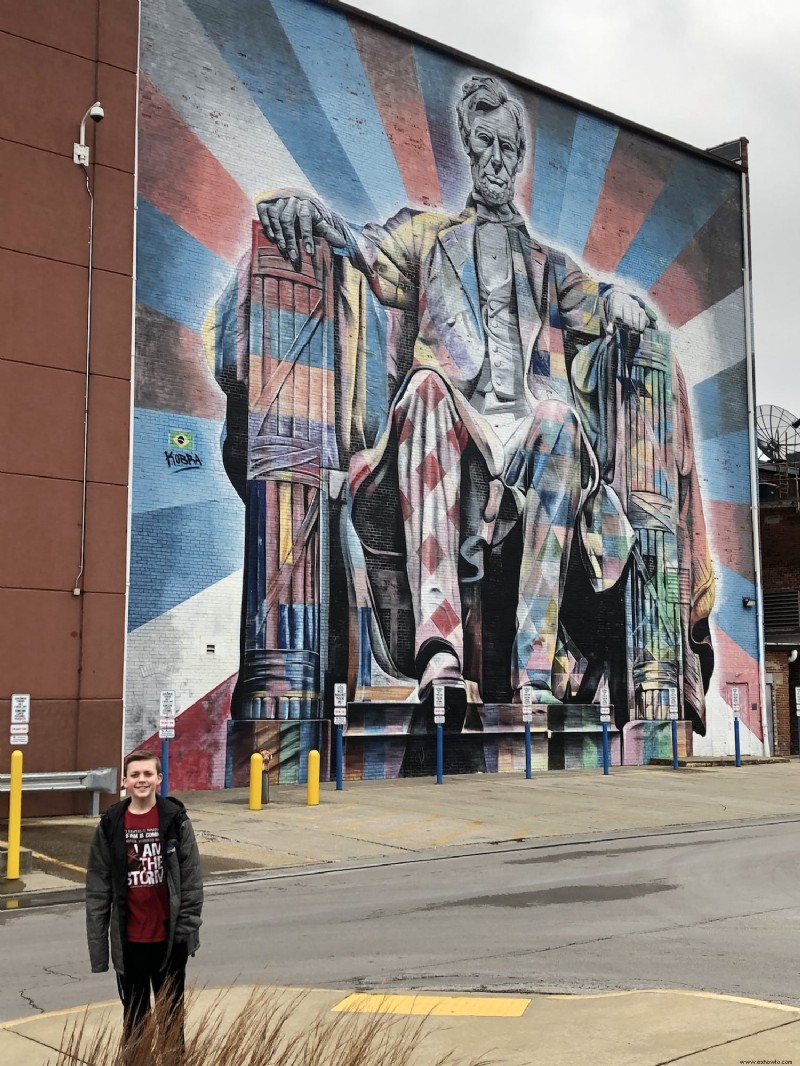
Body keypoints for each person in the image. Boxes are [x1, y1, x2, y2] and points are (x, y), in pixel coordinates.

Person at [255, 74, 713, 720]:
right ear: (469, 147)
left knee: (558, 417)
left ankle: (535, 666)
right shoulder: (424, 235)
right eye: (486, 146)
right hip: (451, 432)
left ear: (520, 158)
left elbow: (597, 308)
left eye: (508, 148)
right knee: (426, 391)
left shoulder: (550, 264)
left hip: (525, 438)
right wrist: (312, 212)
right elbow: (364, 252)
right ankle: (438, 650)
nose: (497, 160)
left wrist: (620, 300)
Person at [85, 750, 203, 1048]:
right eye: (135, 775)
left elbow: (191, 883)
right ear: (124, 781)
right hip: (130, 941)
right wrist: (100, 951)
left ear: (159, 779)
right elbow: (98, 888)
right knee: (135, 1021)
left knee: (171, 1018)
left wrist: (184, 933)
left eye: (148, 774)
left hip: (168, 940)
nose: (141, 780)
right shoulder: (111, 823)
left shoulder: (175, 820)